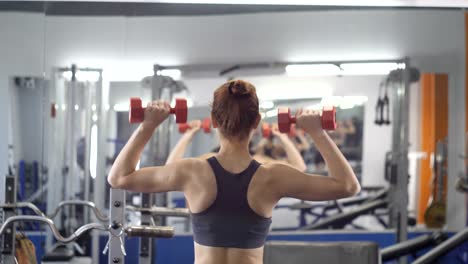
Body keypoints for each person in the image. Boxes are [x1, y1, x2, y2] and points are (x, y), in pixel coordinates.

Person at [108, 80, 360, 264]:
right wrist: (317, 132)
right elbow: (348, 186)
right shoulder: (273, 176)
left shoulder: (193, 171)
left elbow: (118, 177)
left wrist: (148, 126)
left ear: (214, 121)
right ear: (257, 122)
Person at [167, 120, 307, 172]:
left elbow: (170, 167)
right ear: (253, 130)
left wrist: (188, 135)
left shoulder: (209, 161)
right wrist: (282, 137)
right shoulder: (260, 162)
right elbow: (300, 167)